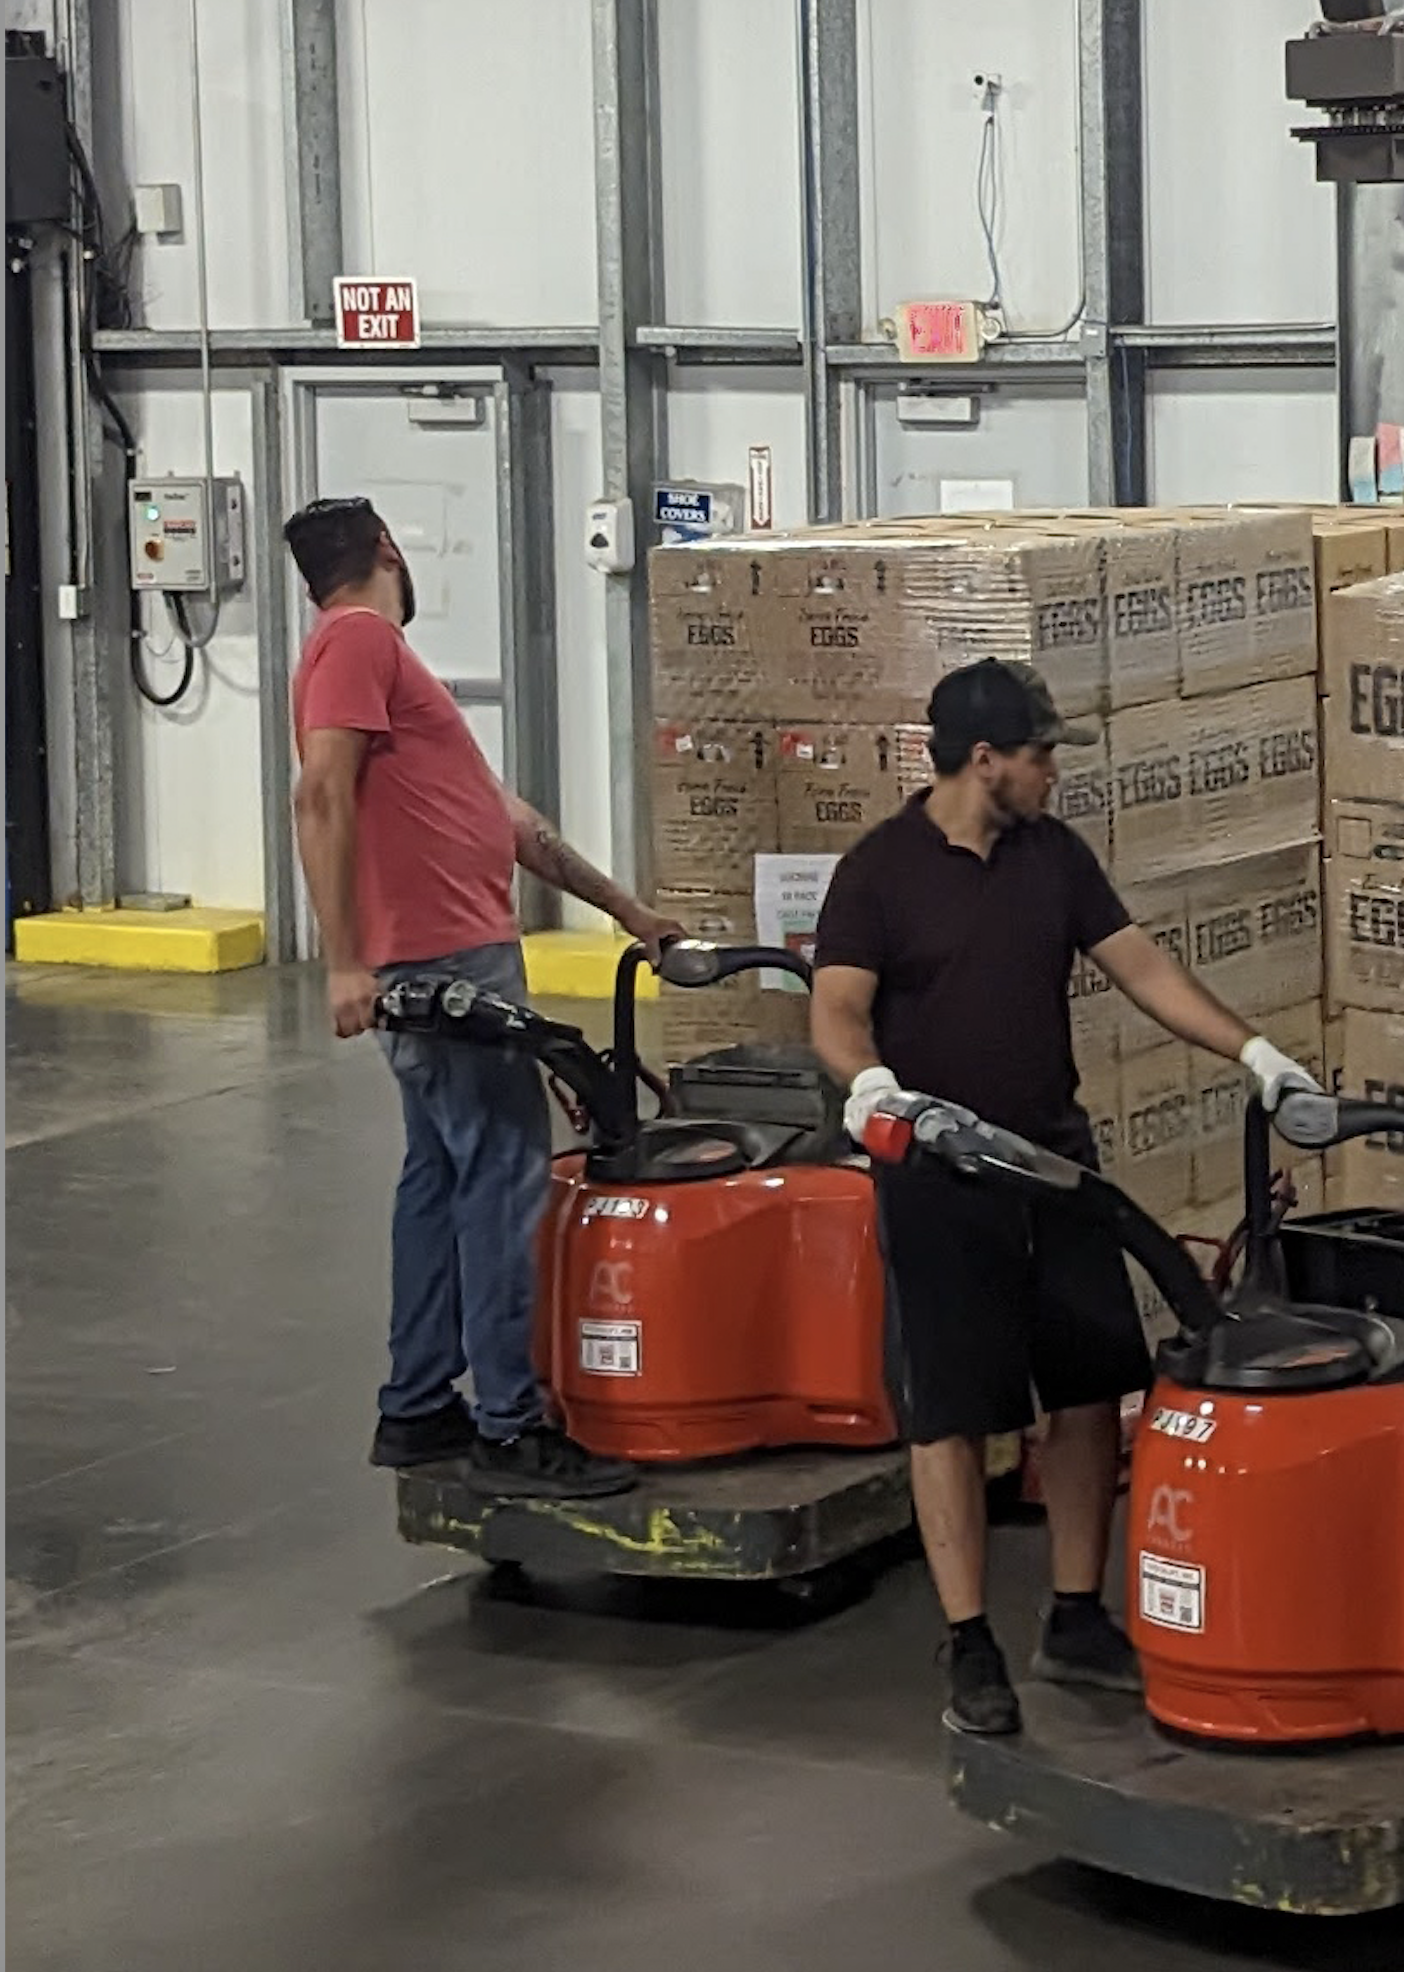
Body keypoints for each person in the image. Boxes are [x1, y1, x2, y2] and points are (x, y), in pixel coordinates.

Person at [810, 658, 1318, 1736]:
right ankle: (970, 1643)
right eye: (1042, 755)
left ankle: (1078, 1615)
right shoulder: (878, 873)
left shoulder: (1055, 857)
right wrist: (870, 1084)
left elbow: (1145, 968)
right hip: (940, 1177)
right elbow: (838, 1008)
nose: (1055, 773)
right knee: (950, 1414)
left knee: (1090, 1388)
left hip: (1054, 1162)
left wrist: (1256, 1052)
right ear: (984, 758)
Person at [284, 495, 685, 1499]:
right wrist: (344, 962)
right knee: (504, 1175)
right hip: (443, 965)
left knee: (439, 1177)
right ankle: (510, 1425)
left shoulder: (384, 666)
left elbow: (507, 821)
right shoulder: (359, 641)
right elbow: (318, 794)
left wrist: (628, 911)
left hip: (449, 958)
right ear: (387, 548)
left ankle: (419, 1404)